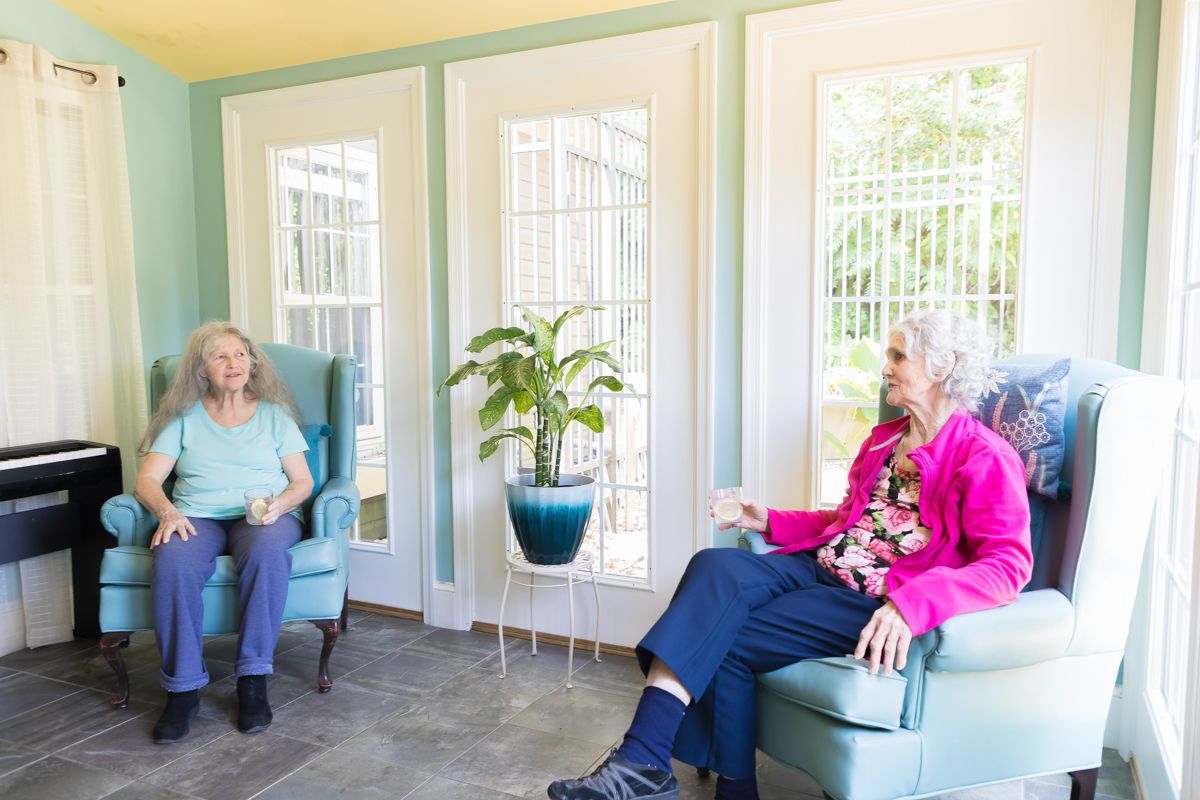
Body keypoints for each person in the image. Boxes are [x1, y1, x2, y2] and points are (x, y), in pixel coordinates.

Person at [547, 308, 1033, 800]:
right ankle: (644, 766)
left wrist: (912, 606)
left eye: (898, 356)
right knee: (713, 564)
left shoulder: (985, 457)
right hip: (816, 567)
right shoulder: (885, 440)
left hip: (870, 600)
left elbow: (1008, 566)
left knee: (722, 639)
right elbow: (845, 522)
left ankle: (659, 768)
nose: (885, 367)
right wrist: (768, 521)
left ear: (942, 367)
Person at [133, 321, 313, 744]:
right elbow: (147, 482)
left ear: (252, 362)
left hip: (263, 516)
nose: (233, 363)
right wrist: (167, 512)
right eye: (220, 356)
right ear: (201, 369)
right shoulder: (182, 417)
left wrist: (280, 505)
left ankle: (252, 680)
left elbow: (302, 481)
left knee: (267, 554)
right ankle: (183, 690)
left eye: (239, 354)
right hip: (197, 515)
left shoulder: (274, 415)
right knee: (173, 560)